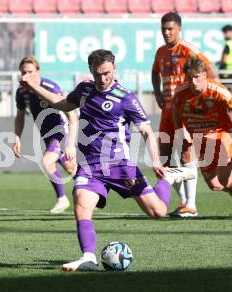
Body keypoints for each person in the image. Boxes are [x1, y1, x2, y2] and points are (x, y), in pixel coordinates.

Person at [20, 49, 195, 272]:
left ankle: (168, 179)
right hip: (90, 165)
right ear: (91, 71)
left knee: (158, 212)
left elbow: (147, 133)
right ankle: (89, 257)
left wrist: (157, 162)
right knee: (81, 204)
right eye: (97, 74)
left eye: (107, 73)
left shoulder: (126, 98)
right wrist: (32, 86)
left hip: (120, 166)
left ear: (114, 69)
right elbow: (62, 104)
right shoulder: (84, 89)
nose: (103, 79)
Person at [174, 59, 232, 219]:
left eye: (197, 77)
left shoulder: (219, 92)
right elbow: (176, 113)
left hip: (221, 134)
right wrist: (181, 133)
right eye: (189, 78)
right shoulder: (180, 93)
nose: (193, 82)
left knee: (224, 179)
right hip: (200, 138)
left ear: (204, 75)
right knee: (215, 185)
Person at [151, 12, 217, 217]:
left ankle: (191, 204)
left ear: (179, 29)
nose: (167, 32)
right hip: (167, 110)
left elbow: (210, 72)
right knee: (164, 156)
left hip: (184, 109)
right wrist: (158, 93)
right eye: (164, 29)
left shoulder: (189, 50)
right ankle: (182, 202)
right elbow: (154, 73)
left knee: (185, 153)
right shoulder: (161, 52)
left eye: (170, 29)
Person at [13, 56, 77, 214]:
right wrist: (17, 138)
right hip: (47, 135)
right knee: (70, 167)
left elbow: (69, 110)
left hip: (61, 131)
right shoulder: (21, 92)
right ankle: (91, 189)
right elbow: (20, 115)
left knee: (46, 161)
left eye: (30, 72)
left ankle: (62, 199)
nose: (26, 75)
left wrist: (70, 140)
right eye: (23, 72)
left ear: (38, 72)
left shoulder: (49, 86)